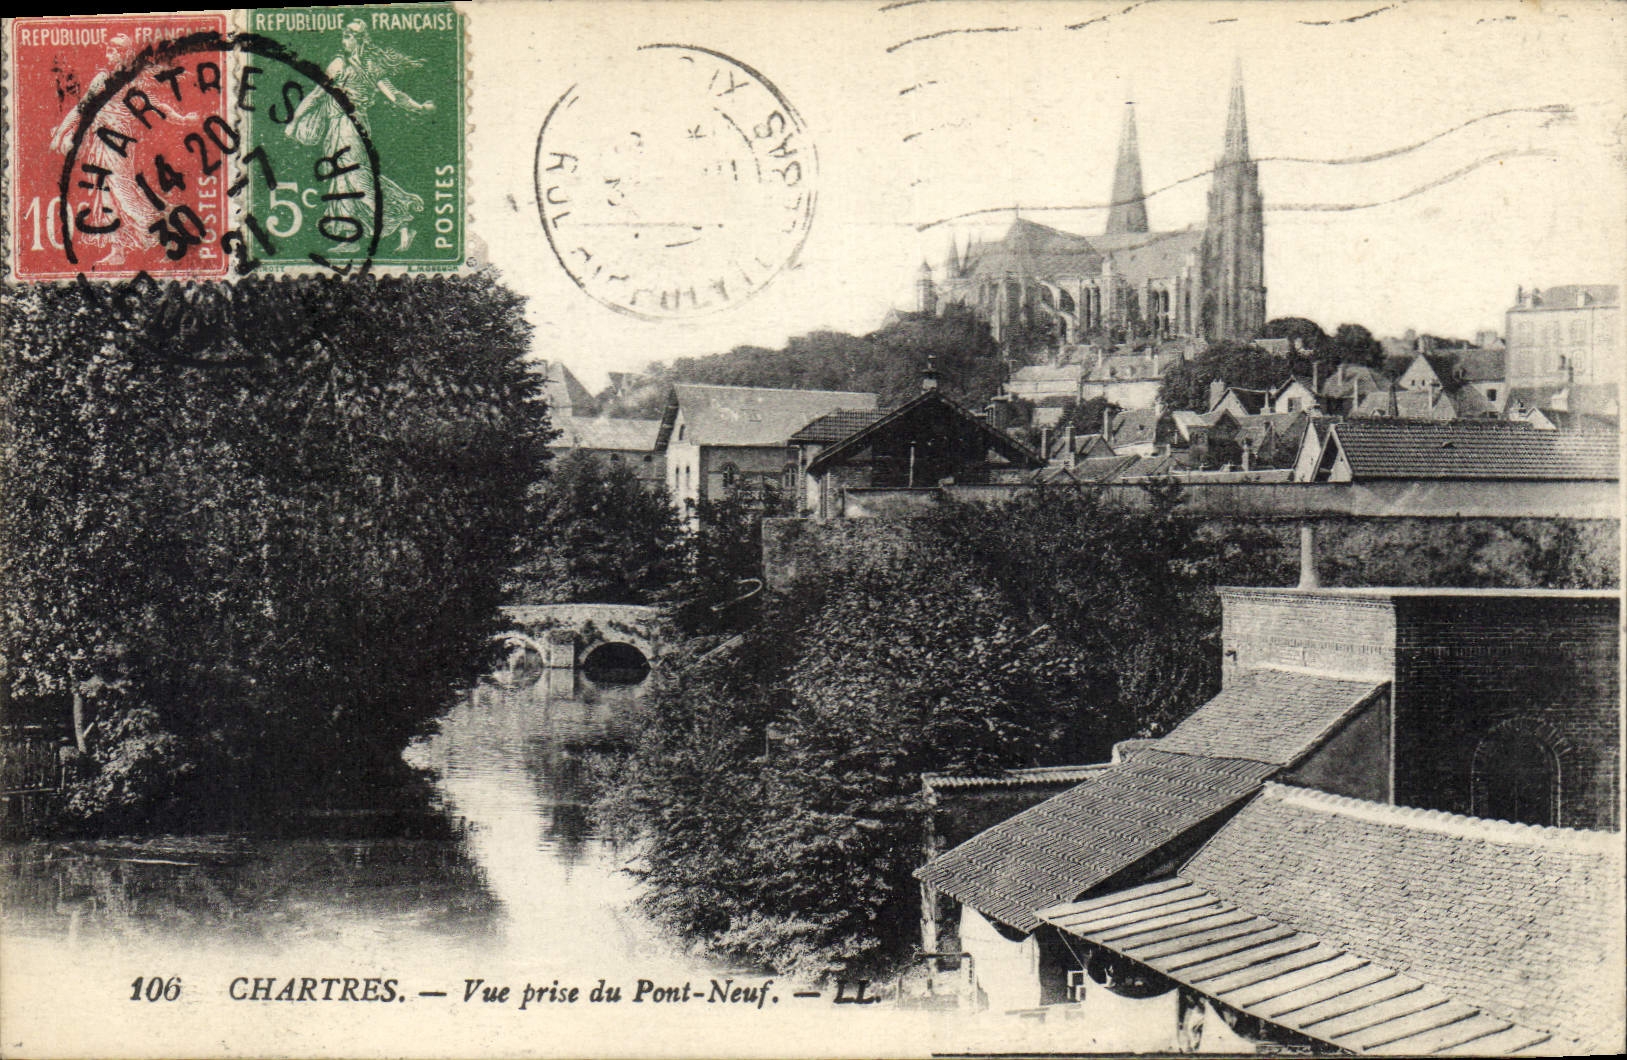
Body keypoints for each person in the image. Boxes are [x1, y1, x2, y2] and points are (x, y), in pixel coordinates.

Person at [286, 19, 435, 251]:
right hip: (338, 127)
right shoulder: (340, 64)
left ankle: (401, 218)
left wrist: (419, 107)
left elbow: (395, 95)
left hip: (350, 127)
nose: (344, 41)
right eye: (343, 36)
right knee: (343, 178)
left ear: (360, 40)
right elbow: (317, 95)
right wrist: (295, 120)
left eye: (348, 36)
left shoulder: (366, 67)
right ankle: (353, 236)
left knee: (354, 177)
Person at [49, 35, 157, 267]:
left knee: (125, 197)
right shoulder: (101, 79)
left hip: (118, 146)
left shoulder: (135, 81)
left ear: (126, 55)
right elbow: (81, 110)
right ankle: (118, 250)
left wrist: (180, 118)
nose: (110, 54)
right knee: (106, 197)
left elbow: (153, 106)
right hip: (100, 145)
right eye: (109, 50)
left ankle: (159, 237)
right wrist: (60, 133)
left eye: (115, 51)